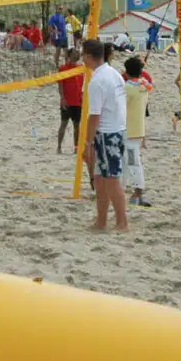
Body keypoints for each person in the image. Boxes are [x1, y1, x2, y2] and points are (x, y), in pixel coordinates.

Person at [81, 38, 128, 232]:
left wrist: (87, 144)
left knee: (112, 179)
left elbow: (94, 116)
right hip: (117, 130)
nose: (82, 59)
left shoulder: (97, 81)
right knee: (100, 180)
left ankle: (122, 223)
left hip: (107, 135)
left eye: (83, 55)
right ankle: (101, 222)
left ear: (89, 56)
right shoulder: (114, 73)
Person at [123, 56, 152, 207]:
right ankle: (125, 190)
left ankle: (138, 192)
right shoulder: (144, 85)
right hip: (138, 128)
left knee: (132, 161)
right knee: (127, 161)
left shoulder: (127, 88)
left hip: (128, 129)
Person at [56, 48, 83, 154]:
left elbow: (82, 85)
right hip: (67, 101)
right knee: (64, 124)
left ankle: (76, 148)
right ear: (69, 55)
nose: (77, 54)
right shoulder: (63, 68)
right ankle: (59, 147)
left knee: (77, 125)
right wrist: (62, 98)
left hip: (77, 101)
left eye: (77, 53)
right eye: (74, 53)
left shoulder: (81, 68)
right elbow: (60, 85)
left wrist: (82, 97)